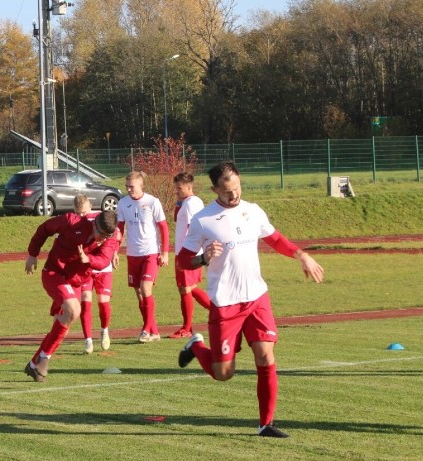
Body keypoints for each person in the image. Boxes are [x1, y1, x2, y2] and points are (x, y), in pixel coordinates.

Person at [177, 162, 324, 438]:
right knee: (223, 373)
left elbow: (276, 239)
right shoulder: (204, 219)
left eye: (237, 188)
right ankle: (196, 345)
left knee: (266, 356)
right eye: (227, 191)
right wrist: (203, 258)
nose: (234, 195)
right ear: (214, 190)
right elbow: (182, 261)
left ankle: (265, 424)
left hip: (257, 298)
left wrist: (302, 255)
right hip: (226, 304)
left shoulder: (253, 211)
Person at [24, 209, 119, 381]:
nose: (102, 239)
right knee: (74, 310)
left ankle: (34, 364)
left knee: (62, 325)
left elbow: (104, 260)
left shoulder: (111, 236)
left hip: (75, 281)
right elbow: (44, 228)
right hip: (54, 273)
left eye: (107, 237)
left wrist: (88, 260)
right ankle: (44, 358)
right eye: (100, 234)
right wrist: (32, 253)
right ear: (94, 224)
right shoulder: (71, 221)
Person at [116, 170, 169, 342]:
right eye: (127, 186)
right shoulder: (123, 203)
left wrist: (165, 252)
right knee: (139, 293)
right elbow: (119, 229)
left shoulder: (153, 202)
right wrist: (115, 251)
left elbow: (163, 228)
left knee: (146, 289)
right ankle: (154, 330)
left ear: (141, 186)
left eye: (131, 186)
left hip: (150, 252)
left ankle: (146, 330)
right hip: (133, 253)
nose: (129, 189)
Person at [73, 194, 120, 353]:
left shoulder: (100, 219)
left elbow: (117, 234)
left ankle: (104, 330)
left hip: (103, 267)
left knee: (103, 302)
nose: (81, 216)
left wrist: (114, 252)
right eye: (78, 213)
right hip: (86, 268)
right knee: (86, 301)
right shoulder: (76, 223)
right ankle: (88, 340)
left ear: (89, 205)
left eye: (83, 212)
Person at [169, 171, 212, 339]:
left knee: (185, 288)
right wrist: (179, 201)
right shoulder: (187, 202)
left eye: (179, 188)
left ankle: (187, 328)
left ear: (188, 187)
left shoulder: (191, 203)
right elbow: (175, 218)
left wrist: (190, 253)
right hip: (184, 252)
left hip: (188, 253)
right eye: (176, 188)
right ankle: (219, 312)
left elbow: (192, 227)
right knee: (189, 288)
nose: (176, 191)